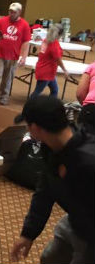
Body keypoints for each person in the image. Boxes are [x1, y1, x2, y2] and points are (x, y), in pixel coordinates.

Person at [12, 96, 94, 263]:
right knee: (50, 258)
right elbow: (44, 191)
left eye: (27, 125)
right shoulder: (51, 148)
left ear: (35, 128)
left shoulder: (87, 160)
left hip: (90, 231)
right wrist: (28, 233)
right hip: (75, 219)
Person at [0, 2, 31, 105]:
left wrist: (24, 56)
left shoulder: (25, 25)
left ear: (19, 12)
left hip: (13, 55)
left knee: (8, 77)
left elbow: (26, 42)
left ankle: (3, 97)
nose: (11, 13)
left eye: (14, 12)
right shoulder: (2, 21)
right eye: (10, 11)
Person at [31, 24, 69, 98]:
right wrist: (65, 70)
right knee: (38, 91)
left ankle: (51, 106)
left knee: (54, 90)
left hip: (44, 69)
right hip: (47, 72)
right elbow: (58, 59)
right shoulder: (54, 44)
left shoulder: (46, 40)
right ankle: (29, 105)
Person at [77, 61, 95, 134]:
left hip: (90, 109)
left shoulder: (92, 66)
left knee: (83, 143)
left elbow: (80, 94)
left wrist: (87, 106)